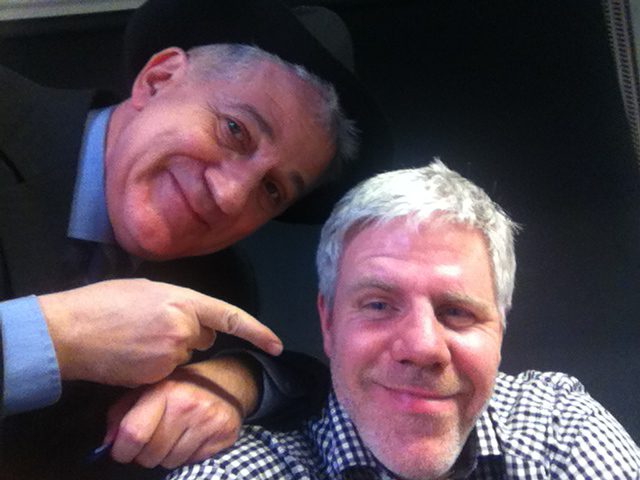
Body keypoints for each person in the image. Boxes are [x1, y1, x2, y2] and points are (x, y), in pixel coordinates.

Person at [0, 0, 392, 478]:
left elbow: (304, 381)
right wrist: (57, 336)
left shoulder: (216, 285)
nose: (230, 196)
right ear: (157, 79)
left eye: (271, 190)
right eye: (235, 131)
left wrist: (237, 381)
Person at [169, 161, 640, 480]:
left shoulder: (557, 429)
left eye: (457, 312)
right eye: (378, 305)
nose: (422, 346)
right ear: (328, 324)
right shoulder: (244, 470)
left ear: (500, 328)